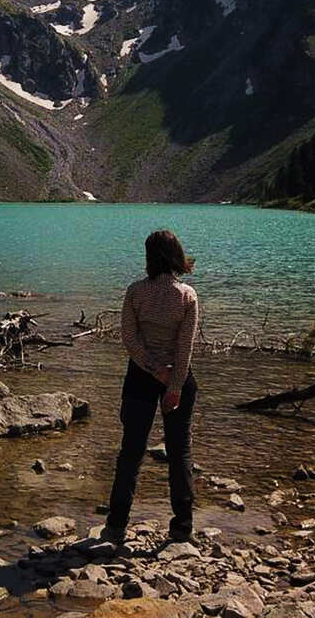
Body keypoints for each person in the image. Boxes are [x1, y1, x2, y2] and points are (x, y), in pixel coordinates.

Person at [103, 229, 199, 543]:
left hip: (141, 376)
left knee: (131, 450)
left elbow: (130, 340)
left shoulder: (135, 292)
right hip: (178, 376)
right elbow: (185, 348)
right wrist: (174, 385)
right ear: (176, 255)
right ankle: (182, 527)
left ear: (148, 257)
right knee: (180, 450)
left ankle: (116, 525)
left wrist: (154, 370)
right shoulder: (187, 295)